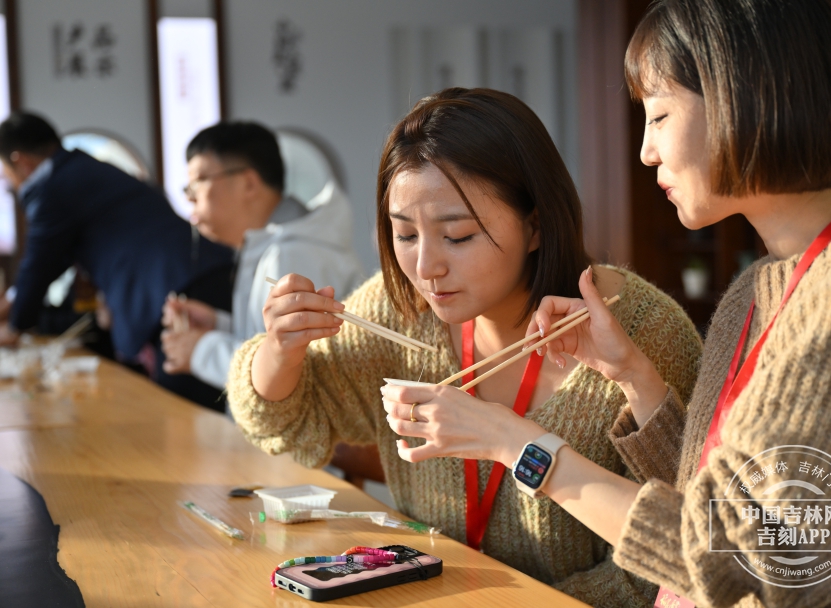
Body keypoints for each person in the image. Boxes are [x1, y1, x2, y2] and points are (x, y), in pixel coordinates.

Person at [380, 1, 831, 606]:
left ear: (745, 99)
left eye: (660, 115)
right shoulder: (755, 290)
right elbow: (703, 507)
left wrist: (519, 446)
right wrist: (633, 377)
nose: (648, 150)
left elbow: (774, 556)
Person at [227, 87, 704, 606]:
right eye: (405, 235)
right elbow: (284, 420)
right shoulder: (401, 309)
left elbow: (671, 564)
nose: (426, 267)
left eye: (456, 236)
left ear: (536, 225)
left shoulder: (643, 334)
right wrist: (281, 349)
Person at [0, 112, 232, 364]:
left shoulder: (52, 187)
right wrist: (14, 303)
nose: (8, 180)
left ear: (20, 161)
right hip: (194, 272)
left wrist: (14, 326)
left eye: (4, 171)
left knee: (186, 380)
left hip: (172, 287)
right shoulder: (80, 169)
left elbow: (40, 262)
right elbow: (54, 257)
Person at [160, 121, 364, 390]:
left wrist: (202, 351)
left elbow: (296, 371)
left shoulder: (292, 254)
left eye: (198, 181)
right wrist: (220, 325)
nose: (190, 197)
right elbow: (270, 339)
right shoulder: (274, 246)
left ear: (249, 183)